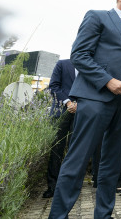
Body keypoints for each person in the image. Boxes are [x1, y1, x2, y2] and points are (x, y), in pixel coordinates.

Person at [49, 0, 121, 219]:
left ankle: (103, 215)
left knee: (112, 166)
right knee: (78, 160)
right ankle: (58, 215)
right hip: (95, 99)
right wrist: (107, 81)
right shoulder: (97, 17)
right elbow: (79, 55)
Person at [42, 59, 77, 199]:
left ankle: (71, 187)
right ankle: (52, 186)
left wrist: (78, 104)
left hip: (81, 113)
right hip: (60, 112)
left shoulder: (90, 66)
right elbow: (54, 86)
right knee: (56, 149)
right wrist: (68, 102)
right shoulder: (62, 64)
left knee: (75, 150)